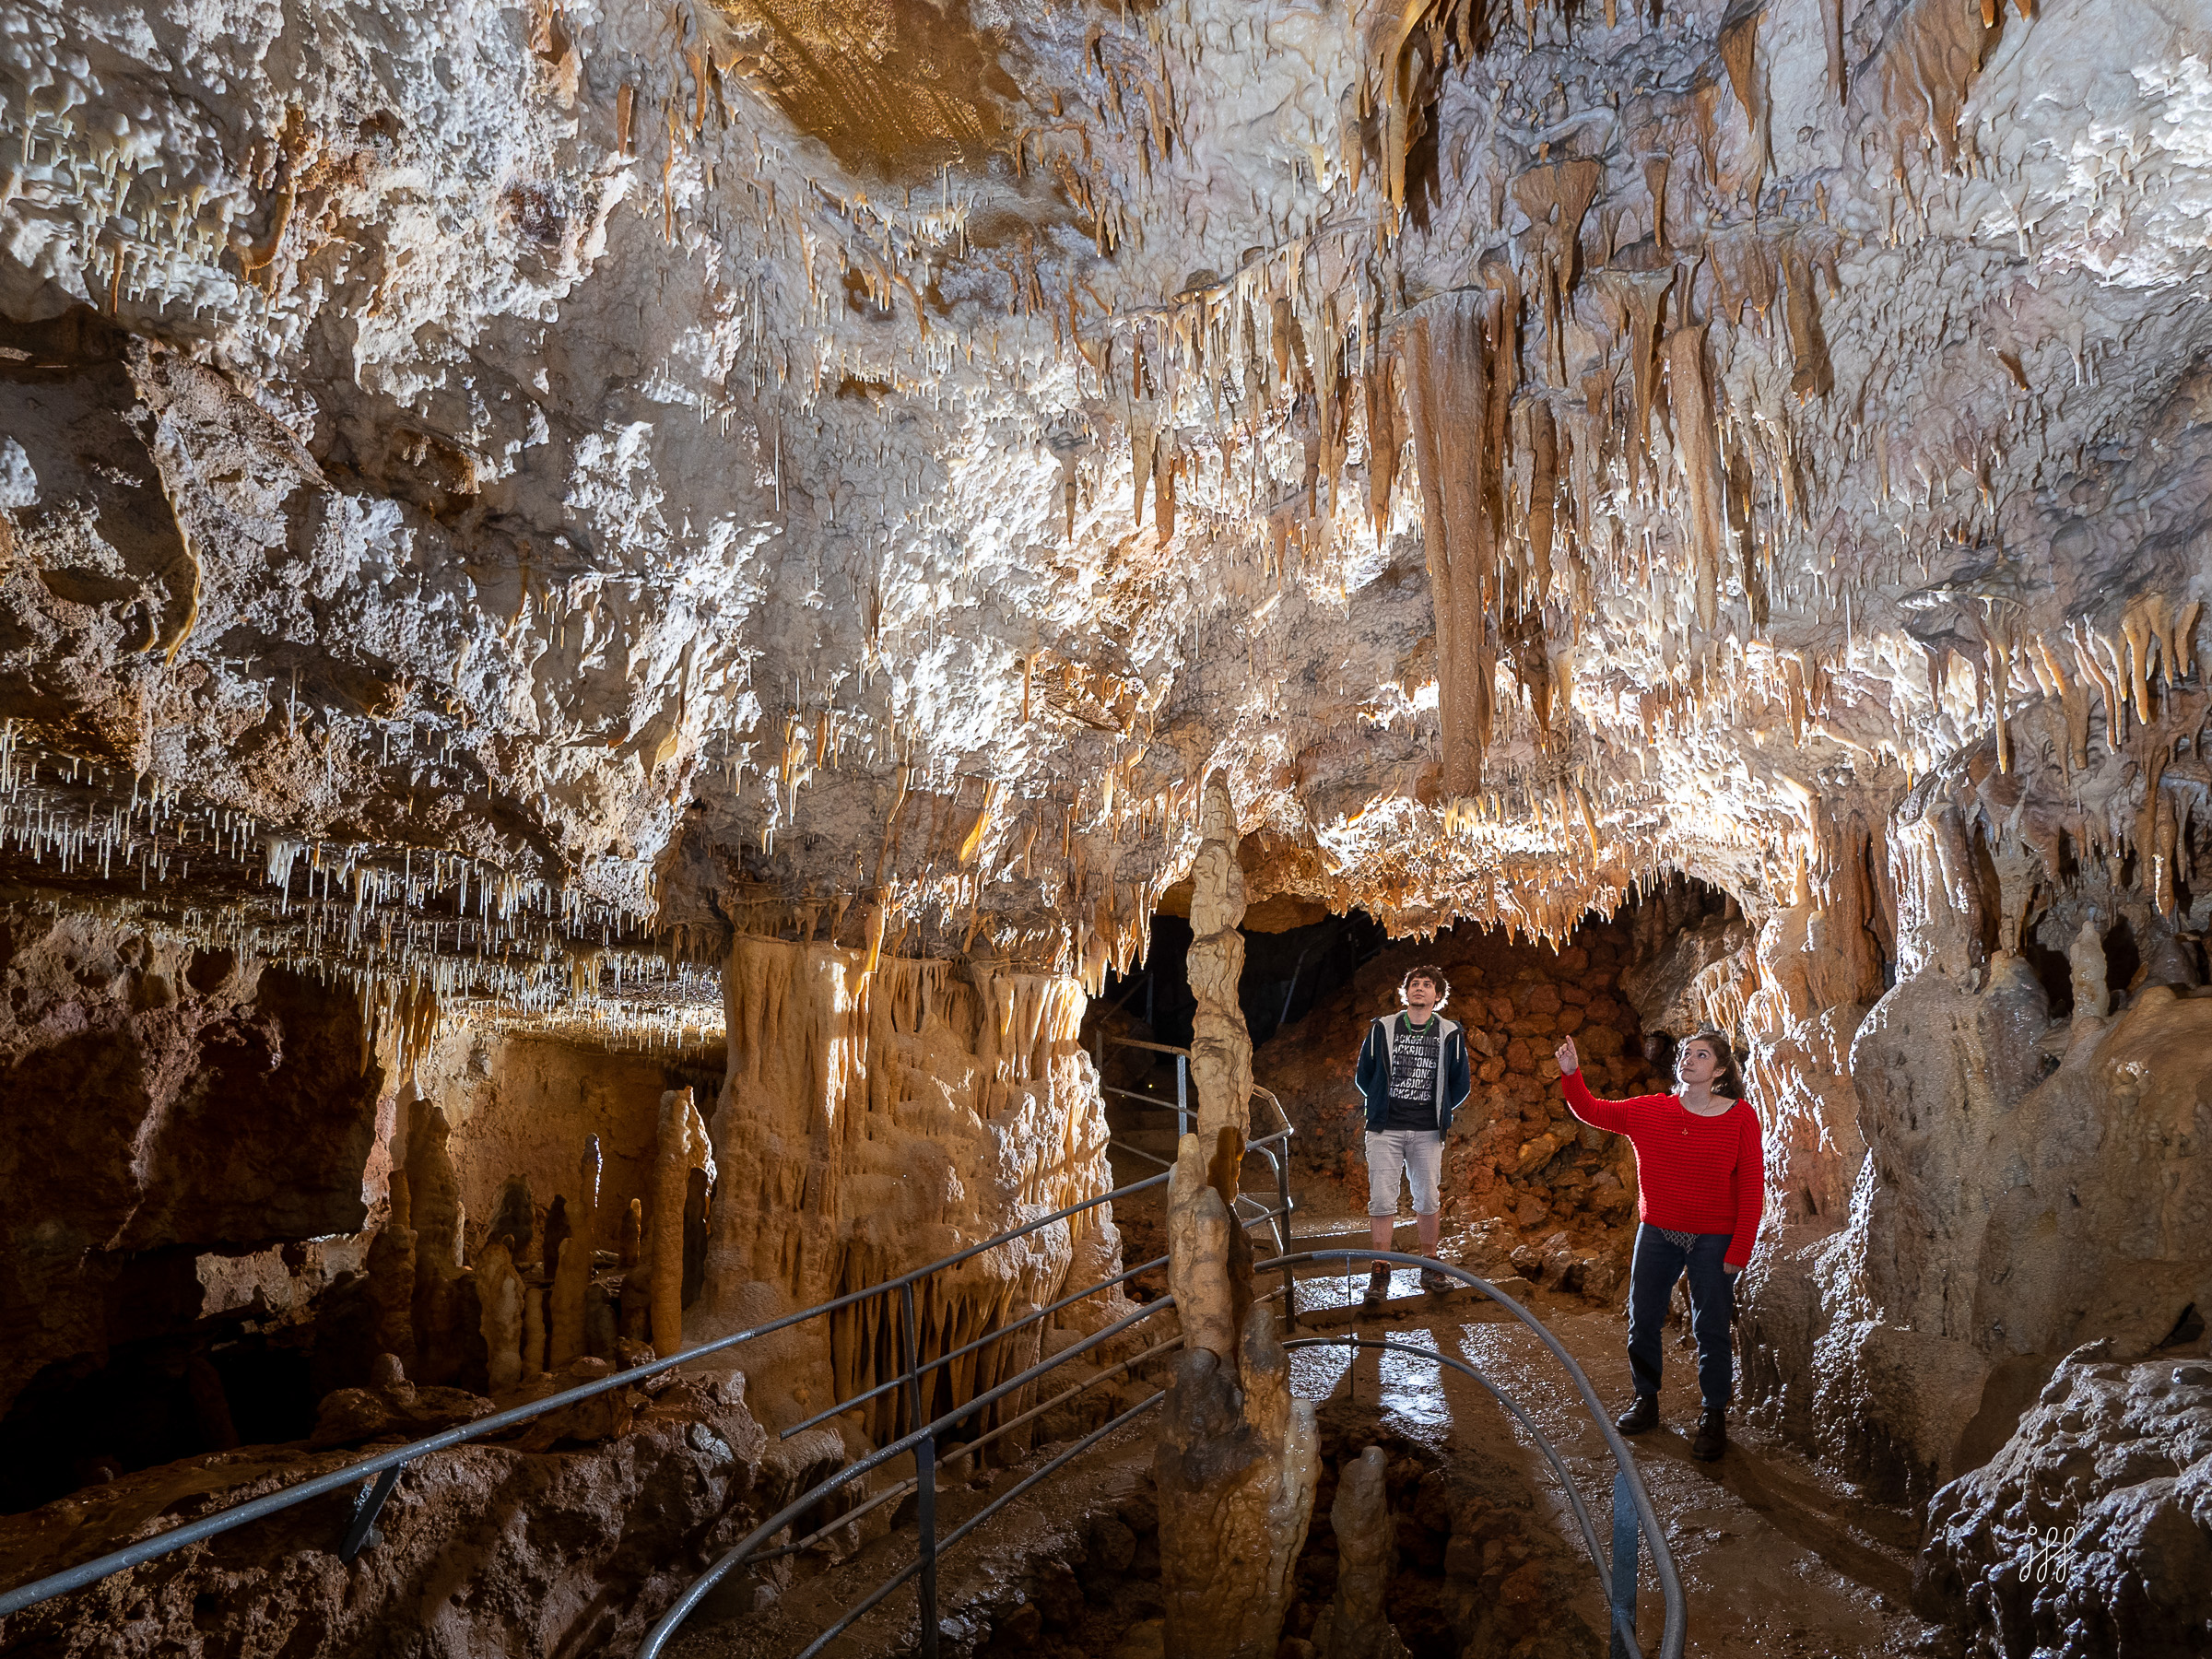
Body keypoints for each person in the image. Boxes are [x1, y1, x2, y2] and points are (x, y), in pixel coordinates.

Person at [1552, 1029, 1763, 1462]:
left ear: (1719, 1070)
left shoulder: (1740, 1117)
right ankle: (1646, 1400)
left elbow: (1752, 1187)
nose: (1688, 1060)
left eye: (1701, 1055)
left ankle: (1713, 1414)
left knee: (1711, 1328)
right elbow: (1592, 1111)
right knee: (1643, 1317)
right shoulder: (1650, 1111)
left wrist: (1739, 1250)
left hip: (1713, 1236)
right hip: (1658, 1232)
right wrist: (1572, 1075)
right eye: (1685, 1053)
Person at [1352, 966, 1472, 1311]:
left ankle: (1430, 1265)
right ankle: (1381, 1267)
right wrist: (1379, 1101)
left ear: (1438, 996)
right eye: (1414, 984)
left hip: (1428, 1130)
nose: (1420, 989)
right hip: (1385, 1128)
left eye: (1428, 984)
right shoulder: (1382, 1028)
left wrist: (1439, 1109)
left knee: (1427, 1197)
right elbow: (1365, 1075)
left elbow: (1460, 1083)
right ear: (1406, 993)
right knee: (1382, 1198)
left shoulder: (1451, 1033)